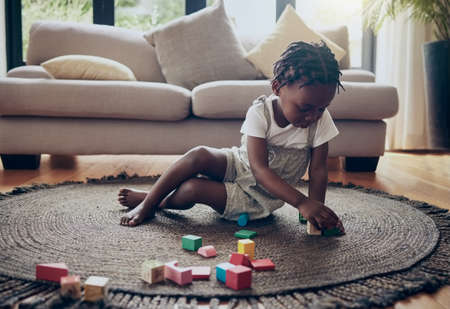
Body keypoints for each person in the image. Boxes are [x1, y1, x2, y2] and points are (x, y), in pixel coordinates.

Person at [118, 41, 345, 234]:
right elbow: (259, 169)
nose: (313, 116)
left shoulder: (320, 120)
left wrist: (315, 210)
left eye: (321, 108)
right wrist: (301, 202)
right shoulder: (261, 112)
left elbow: (318, 171)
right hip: (242, 165)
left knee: (193, 189)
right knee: (199, 154)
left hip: (257, 196)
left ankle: (160, 202)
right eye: (305, 107)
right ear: (277, 88)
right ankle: (149, 203)